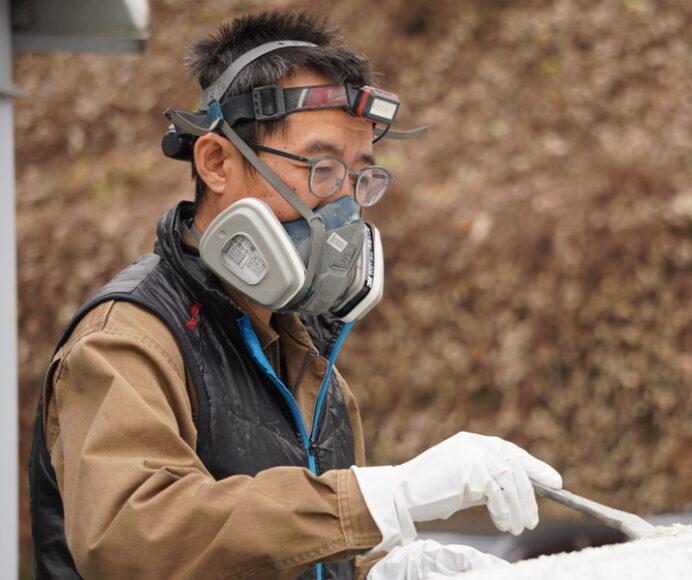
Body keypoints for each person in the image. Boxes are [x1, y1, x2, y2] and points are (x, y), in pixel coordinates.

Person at [28, 10, 562, 580]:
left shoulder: (305, 351)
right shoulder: (128, 340)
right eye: (322, 167)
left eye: (360, 176)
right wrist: (380, 499)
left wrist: (376, 569)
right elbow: (132, 536)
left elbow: (285, 549)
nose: (345, 207)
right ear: (217, 162)